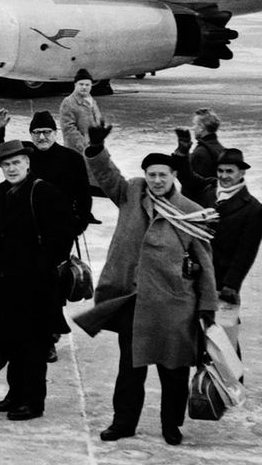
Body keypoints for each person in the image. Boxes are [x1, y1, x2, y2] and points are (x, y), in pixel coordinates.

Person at [76, 125, 218, 446]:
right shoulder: (131, 195)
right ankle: (123, 422)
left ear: (173, 177)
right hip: (136, 303)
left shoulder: (190, 213)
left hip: (175, 305)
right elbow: (106, 174)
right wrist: (97, 146)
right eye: (151, 174)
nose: (156, 180)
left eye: (162, 175)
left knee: (174, 372)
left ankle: (171, 425)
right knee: (130, 369)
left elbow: (206, 264)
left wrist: (207, 307)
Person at [0, 140, 74, 420]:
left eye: (16, 163)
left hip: (35, 286)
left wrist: (42, 269)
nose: (11, 168)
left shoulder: (43, 192)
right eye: (5, 164)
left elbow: (63, 236)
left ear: (28, 163)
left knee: (32, 344)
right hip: (1, 282)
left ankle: (33, 402)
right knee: (9, 340)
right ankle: (14, 394)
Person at [196, 149, 261, 354]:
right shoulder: (209, 194)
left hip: (225, 286)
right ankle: (206, 384)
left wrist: (232, 285)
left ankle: (233, 385)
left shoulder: (254, 209)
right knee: (203, 338)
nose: (224, 176)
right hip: (201, 278)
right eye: (220, 170)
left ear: (241, 173)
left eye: (229, 171)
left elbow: (246, 252)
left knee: (226, 343)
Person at [58, 69, 104, 153]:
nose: (84, 87)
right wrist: (84, 145)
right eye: (81, 84)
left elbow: (98, 122)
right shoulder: (68, 102)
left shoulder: (92, 101)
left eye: (87, 85)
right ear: (75, 85)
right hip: (76, 150)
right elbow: (68, 129)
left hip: (93, 146)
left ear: (91, 86)